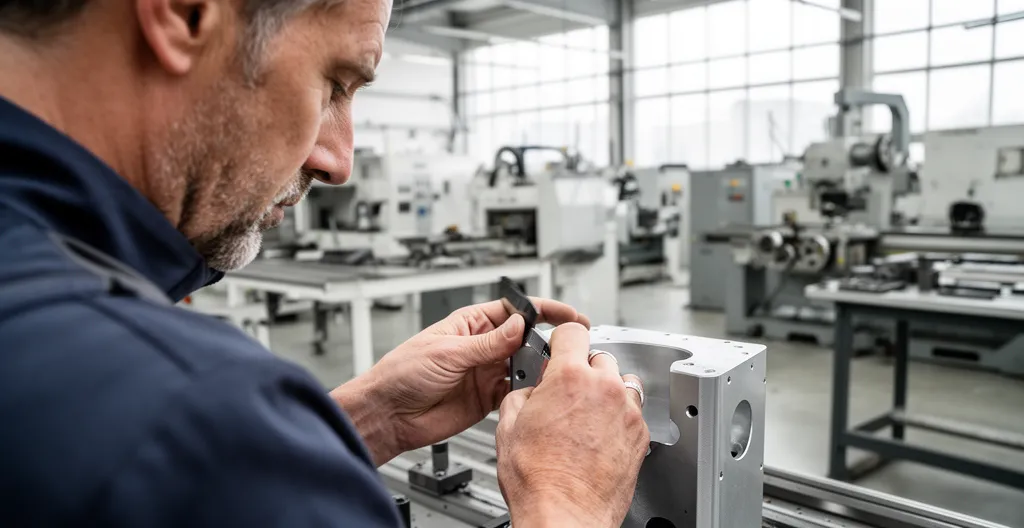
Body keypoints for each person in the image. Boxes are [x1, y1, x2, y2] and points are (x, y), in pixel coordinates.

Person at [0, 0, 651, 526]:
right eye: (335, 83)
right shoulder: (193, 414)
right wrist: (565, 501)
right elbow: (191, 453)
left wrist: (367, 417)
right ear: (187, 13)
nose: (338, 160)